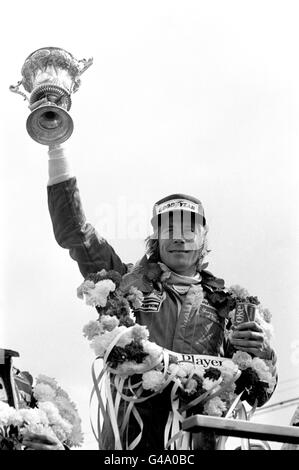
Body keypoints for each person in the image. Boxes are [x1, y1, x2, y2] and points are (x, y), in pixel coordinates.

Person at [46, 144, 277, 449]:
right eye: (169, 228)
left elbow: (255, 390)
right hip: (131, 440)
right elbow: (77, 233)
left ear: (203, 237)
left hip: (197, 442)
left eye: (189, 228)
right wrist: (56, 147)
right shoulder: (124, 281)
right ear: (156, 237)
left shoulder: (230, 306)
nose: (179, 236)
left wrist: (263, 353)